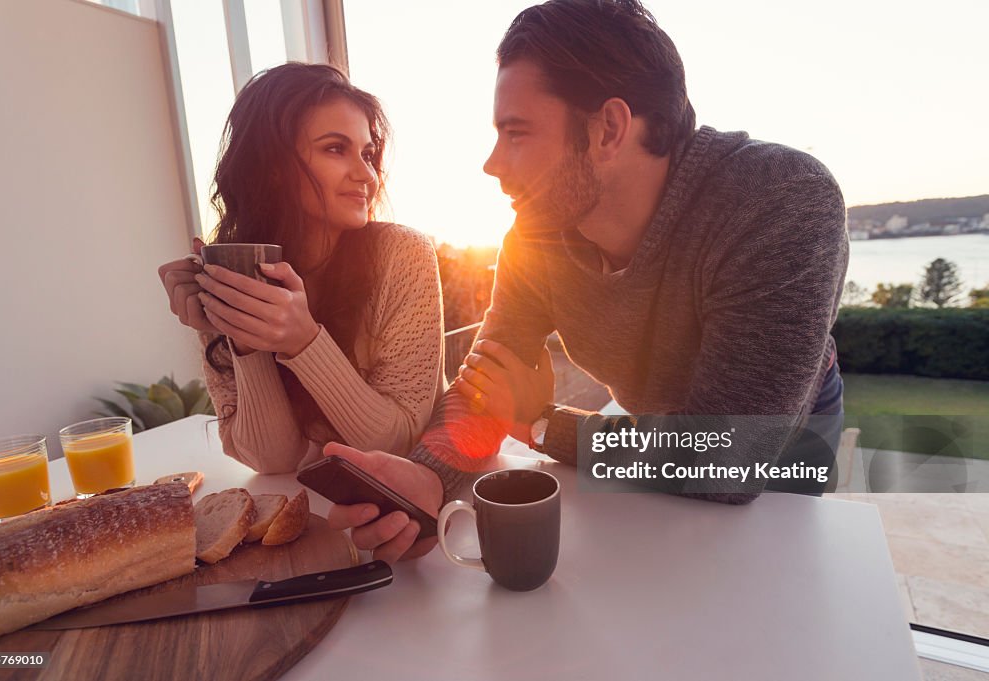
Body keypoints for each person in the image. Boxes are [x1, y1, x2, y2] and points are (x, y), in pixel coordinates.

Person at [323, 0, 849, 563]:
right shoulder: (535, 236)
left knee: (762, 588)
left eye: (516, 133)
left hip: (783, 430)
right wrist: (428, 480)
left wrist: (542, 424)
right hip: (649, 417)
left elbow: (731, 458)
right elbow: (488, 386)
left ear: (609, 129)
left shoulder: (780, 201)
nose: (492, 163)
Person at [158, 63, 445, 474]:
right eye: (334, 148)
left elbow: (398, 444)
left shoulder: (403, 255)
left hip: (419, 513)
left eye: (367, 153)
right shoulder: (231, 271)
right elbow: (272, 460)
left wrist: (303, 341)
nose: (366, 174)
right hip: (311, 510)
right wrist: (243, 334)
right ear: (272, 167)